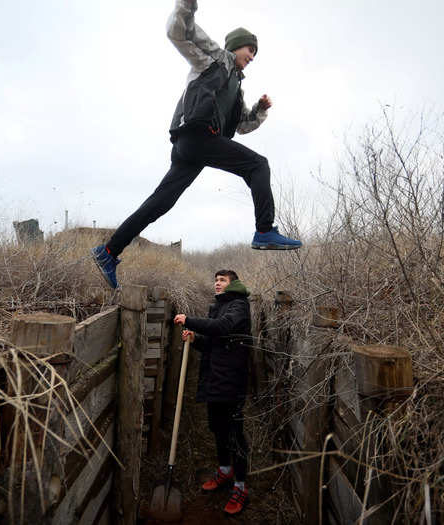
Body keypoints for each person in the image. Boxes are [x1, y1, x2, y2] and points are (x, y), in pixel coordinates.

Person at [91, 0, 301, 289]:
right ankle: (264, 230)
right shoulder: (214, 59)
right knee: (257, 165)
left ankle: (109, 251)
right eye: (249, 49)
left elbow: (242, 126)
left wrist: (260, 109)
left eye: (254, 53)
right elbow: (180, 31)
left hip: (190, 148)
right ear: (235, 46)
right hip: (197, 136)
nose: (252, 56)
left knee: (160, 202)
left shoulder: (235, 90)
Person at [173, 269, 252, 515]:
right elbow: (215, 342)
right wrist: (195, 338)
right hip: (215, 380)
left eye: (222, 280)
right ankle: (225, 471)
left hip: (232, 382)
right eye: (215, 280)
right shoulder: (217, 307)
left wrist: (190, 320)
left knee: (234, 435)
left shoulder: (239, 306)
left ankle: (240, 486)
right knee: (218, 429)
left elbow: (222, 327)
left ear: (233, 284)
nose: (217, 284)